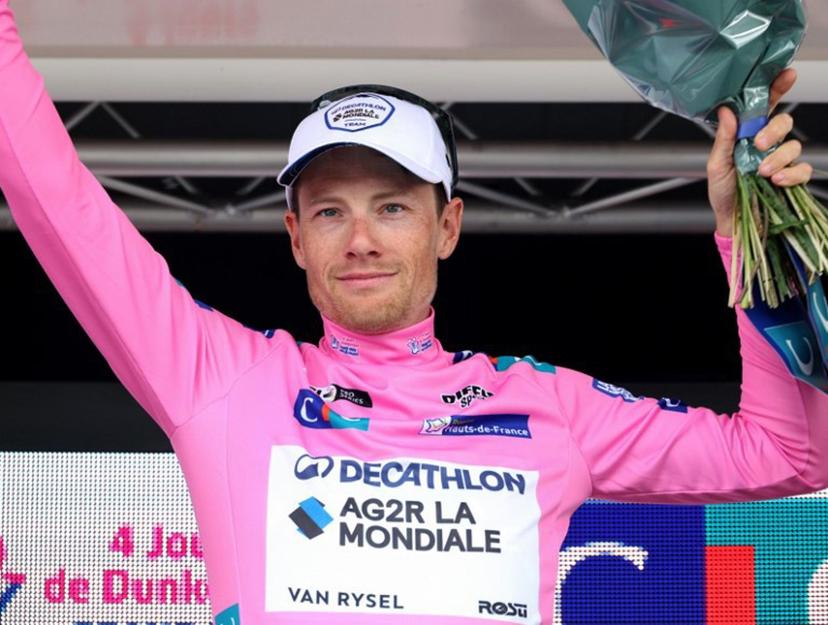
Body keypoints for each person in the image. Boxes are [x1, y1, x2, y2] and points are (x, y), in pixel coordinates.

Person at [1, 2, 825, 624]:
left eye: (391, 207)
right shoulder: (221, 378)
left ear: (448, 225)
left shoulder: (547, 406)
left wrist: (747, 230)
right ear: (294, 236)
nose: (359, 239)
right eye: (329, 211)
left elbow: (791, 452)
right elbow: (53, 193)